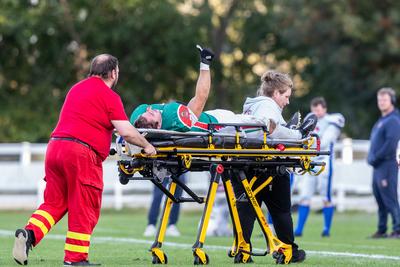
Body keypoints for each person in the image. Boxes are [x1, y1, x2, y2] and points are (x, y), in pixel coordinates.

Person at [12, 54, 156, 266]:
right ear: (114, 73)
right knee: (84, 205)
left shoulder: (76, 88)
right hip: (80, 153)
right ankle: (75, 259)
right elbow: (126, 131)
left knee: (53, 203)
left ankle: (29, 235)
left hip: (55, 149)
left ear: (93, 70)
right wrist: (147, 145)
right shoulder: (109, 97)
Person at [232, 70, 317, 264]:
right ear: (276, 93)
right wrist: (299, 135)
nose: (287, 101)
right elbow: (272, 130)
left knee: (245, 210)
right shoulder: (268, 107)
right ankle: (289, 250)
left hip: (243, 164)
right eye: (286, 96)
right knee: (281, 211)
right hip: (267, 166)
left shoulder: (251, 106)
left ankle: (242, 251)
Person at [137, 45, 215, 237]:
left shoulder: (152, 123)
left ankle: (168, 224)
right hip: (177, 151)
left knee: (176, 190)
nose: (154, 109)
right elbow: (201, 97)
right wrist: (205, 65)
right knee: (163, 191)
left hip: (177, 152)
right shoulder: (172, 120)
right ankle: (154, 223)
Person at [294, 97, 345, 237]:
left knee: (326, 196)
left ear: (325, 109)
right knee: (305, 196)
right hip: (310, 161)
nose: (316, 111)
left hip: (324, 161)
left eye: (319, 109)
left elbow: (323, 142)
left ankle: (326, 229)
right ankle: (299, 229)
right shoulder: (309, 122)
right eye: (314, 109)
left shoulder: (332, 121)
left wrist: (308, 142)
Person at [367, 87, 400, 239]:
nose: (381, 102)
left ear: (391, 101)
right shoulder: (382, 119)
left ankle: (397, 229)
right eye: (379, 100)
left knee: (390, 198)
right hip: (378, 166)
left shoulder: (393, 120)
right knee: (380, 198)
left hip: (387, 165)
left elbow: (390, 144)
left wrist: (375, 157)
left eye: (384, 99)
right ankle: (382, 229)